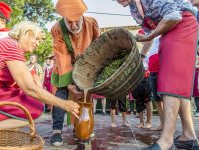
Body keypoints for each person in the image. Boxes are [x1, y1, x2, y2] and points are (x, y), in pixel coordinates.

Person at [114, 0, 198, 149]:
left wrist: (150, 36)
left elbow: (173, 16)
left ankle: (166, 140)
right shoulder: (133, 9)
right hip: (168, 30)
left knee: (170, 80)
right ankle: (189, 136)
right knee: (176, 84)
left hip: (182, 22)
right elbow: (149, 34)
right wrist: (140, 57)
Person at [0, 21, 79, 130]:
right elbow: (29, 88)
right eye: (36, 39)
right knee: (34, 108)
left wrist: (34, 78)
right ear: (27, 33)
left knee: (26, 102)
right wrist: (64, 104)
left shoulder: (6, 43)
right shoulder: (12, 47)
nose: (38, 43)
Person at [50, 0, 100, 146]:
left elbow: (99, 46)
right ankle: (56, 131)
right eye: (69, 22)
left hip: (87, 68)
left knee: (85, 98)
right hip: (64, 68)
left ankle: (81, 127)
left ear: (82, 15)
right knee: (60, 96)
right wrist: (70, 84)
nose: (73, 26)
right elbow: (62, 57)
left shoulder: (92, 23)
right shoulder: (57, 28)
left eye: (76, 21)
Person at [132, 60, 153, 129]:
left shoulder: (147, 53)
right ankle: (141, 122)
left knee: (148, 101)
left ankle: (149, 122)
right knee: (138, 101)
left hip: (146, 76)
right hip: (135, 79)